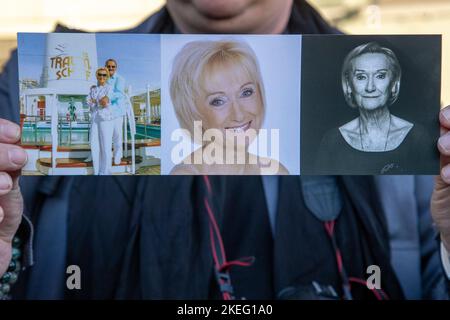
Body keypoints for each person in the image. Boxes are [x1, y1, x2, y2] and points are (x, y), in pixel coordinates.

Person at [0, 0, 448, 300]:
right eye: (215, 99)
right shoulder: (33, 83)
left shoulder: (385, 96)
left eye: (247, 92)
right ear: (185, 105)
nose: (236, 111)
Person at [169, 39, 289, 175]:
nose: (239, 115)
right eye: (218, 101)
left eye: (246, 92)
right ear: (193, 112)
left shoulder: (276, 171)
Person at [316, 42, 436, 174]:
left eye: (380, 76)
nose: (370, 87)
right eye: (361, 77)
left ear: (394, 84)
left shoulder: (417, 138)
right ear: (349, 85)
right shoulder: (332, 142)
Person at [87, 67, 117, 175]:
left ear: (107, 76)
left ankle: (105, 172)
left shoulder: (109, 88)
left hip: (106, 118)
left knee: (106, 145)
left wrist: (96, 101)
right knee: (94, 145)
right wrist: (96, 101)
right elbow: (88, 102)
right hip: (95, 117)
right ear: (97, 76)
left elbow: (104, 102)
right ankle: (97, 171)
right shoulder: (93, 89)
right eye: (100, 74)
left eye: (104, 75)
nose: (102, 77)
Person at [105, 59, 127, 165]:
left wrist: (106, 98)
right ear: (106, 67)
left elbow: (119, 94)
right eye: (109, 66)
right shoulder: (103, 78)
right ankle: (108, 155)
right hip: (106, 112)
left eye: (113, 66)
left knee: (117, 135)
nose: (110, 68)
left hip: (117, 111)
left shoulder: (120, 79)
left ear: (116, 68)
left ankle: (118, 156)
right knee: (107, 135)